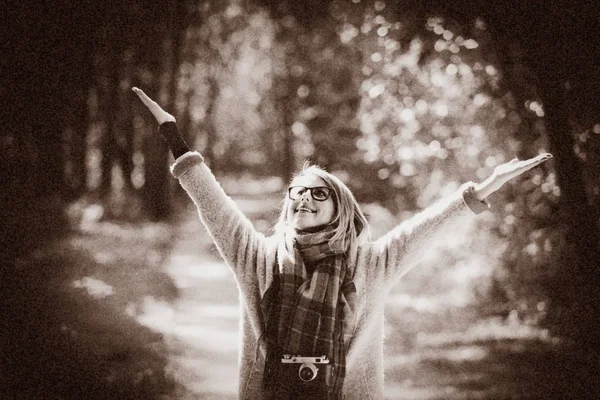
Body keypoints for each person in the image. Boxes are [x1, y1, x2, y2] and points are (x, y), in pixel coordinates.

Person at [132, 87, 552, 399]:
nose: (304, 199)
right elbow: (215, 205)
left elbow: (428, 226)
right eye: (298, 193)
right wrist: (174, 137)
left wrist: (484, 188)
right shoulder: (258, 256)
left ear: (342, 209)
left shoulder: (371, 264)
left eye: (318, 193)